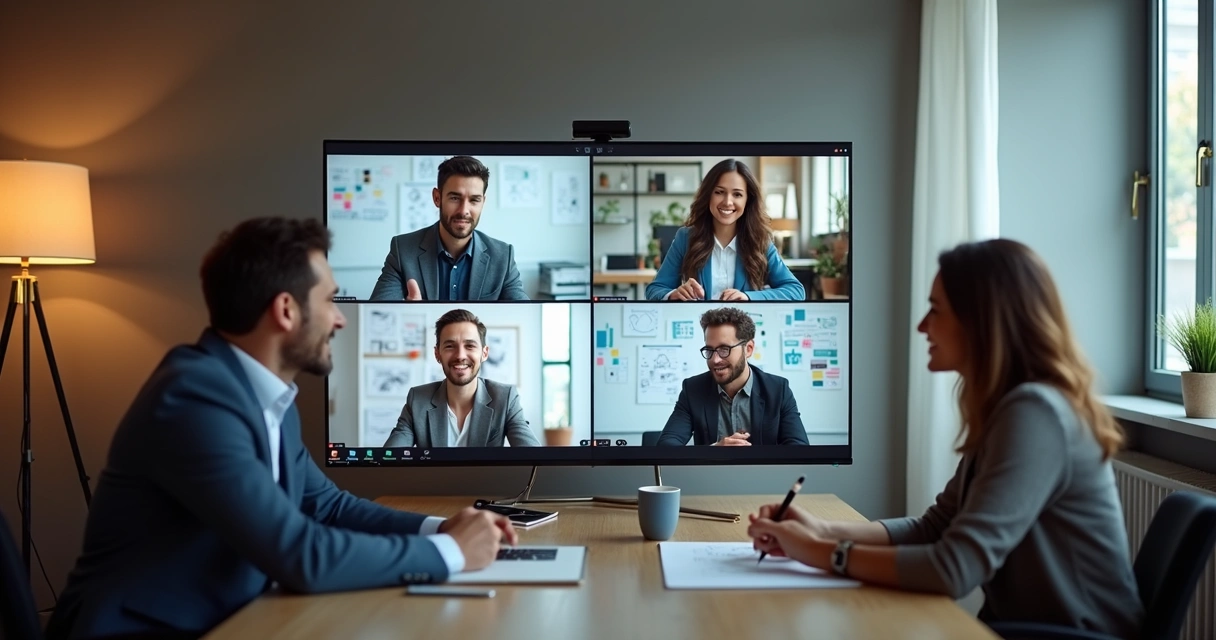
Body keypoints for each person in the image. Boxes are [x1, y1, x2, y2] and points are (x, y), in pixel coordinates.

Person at [45, 218, 518, 640]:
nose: (340, 318)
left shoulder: (267, 393)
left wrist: (439, 526)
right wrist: (450, 553)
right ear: (287, 310)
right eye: (331, 301)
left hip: (231, 619)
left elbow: (326, 506)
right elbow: (300, 554)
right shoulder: (193, 399)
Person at [745, 239, 1144, 639]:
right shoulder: (1010, 406)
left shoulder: (1035, 413)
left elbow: (954, 569)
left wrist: (819, 553)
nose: (922, 326)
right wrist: (822, 530)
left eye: (935, 310)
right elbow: (935, 527)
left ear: (982, 321)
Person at [369, 155, 527, 301]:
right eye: (454, 198)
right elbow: (377, 312)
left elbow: (522, 313)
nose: (464, 210)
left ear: (482, 203)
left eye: (474, 200)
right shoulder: (403, 250)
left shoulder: (503, 256)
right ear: (437, 198)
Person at [645, 158, 805, 301]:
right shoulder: (686, 237)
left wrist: (749, 297)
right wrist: (674, 294)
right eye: (719, 192)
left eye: (737, 195)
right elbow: (654, 290)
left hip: (742, 330)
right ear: (708, 195)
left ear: (747, 201)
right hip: (698, 328)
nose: (728, 202)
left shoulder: (759, 241)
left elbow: (796, 291)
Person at [384, 309, 540, 448]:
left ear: (484, 353)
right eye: (450, 346)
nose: (460, 355)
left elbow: (534, 456)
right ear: (437, 354)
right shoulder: (418, 399)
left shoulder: (505, 398)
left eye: (470, 346)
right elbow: (390, 456)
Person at [656, 307, 808, 446]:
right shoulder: (693, 389)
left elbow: (799, 448)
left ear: (748, 349)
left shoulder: (778, 389)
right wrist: (714, 450)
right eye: (709, 350)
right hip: (709, 476)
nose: (715, 360)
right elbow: (667, 446)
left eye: (724, 349)